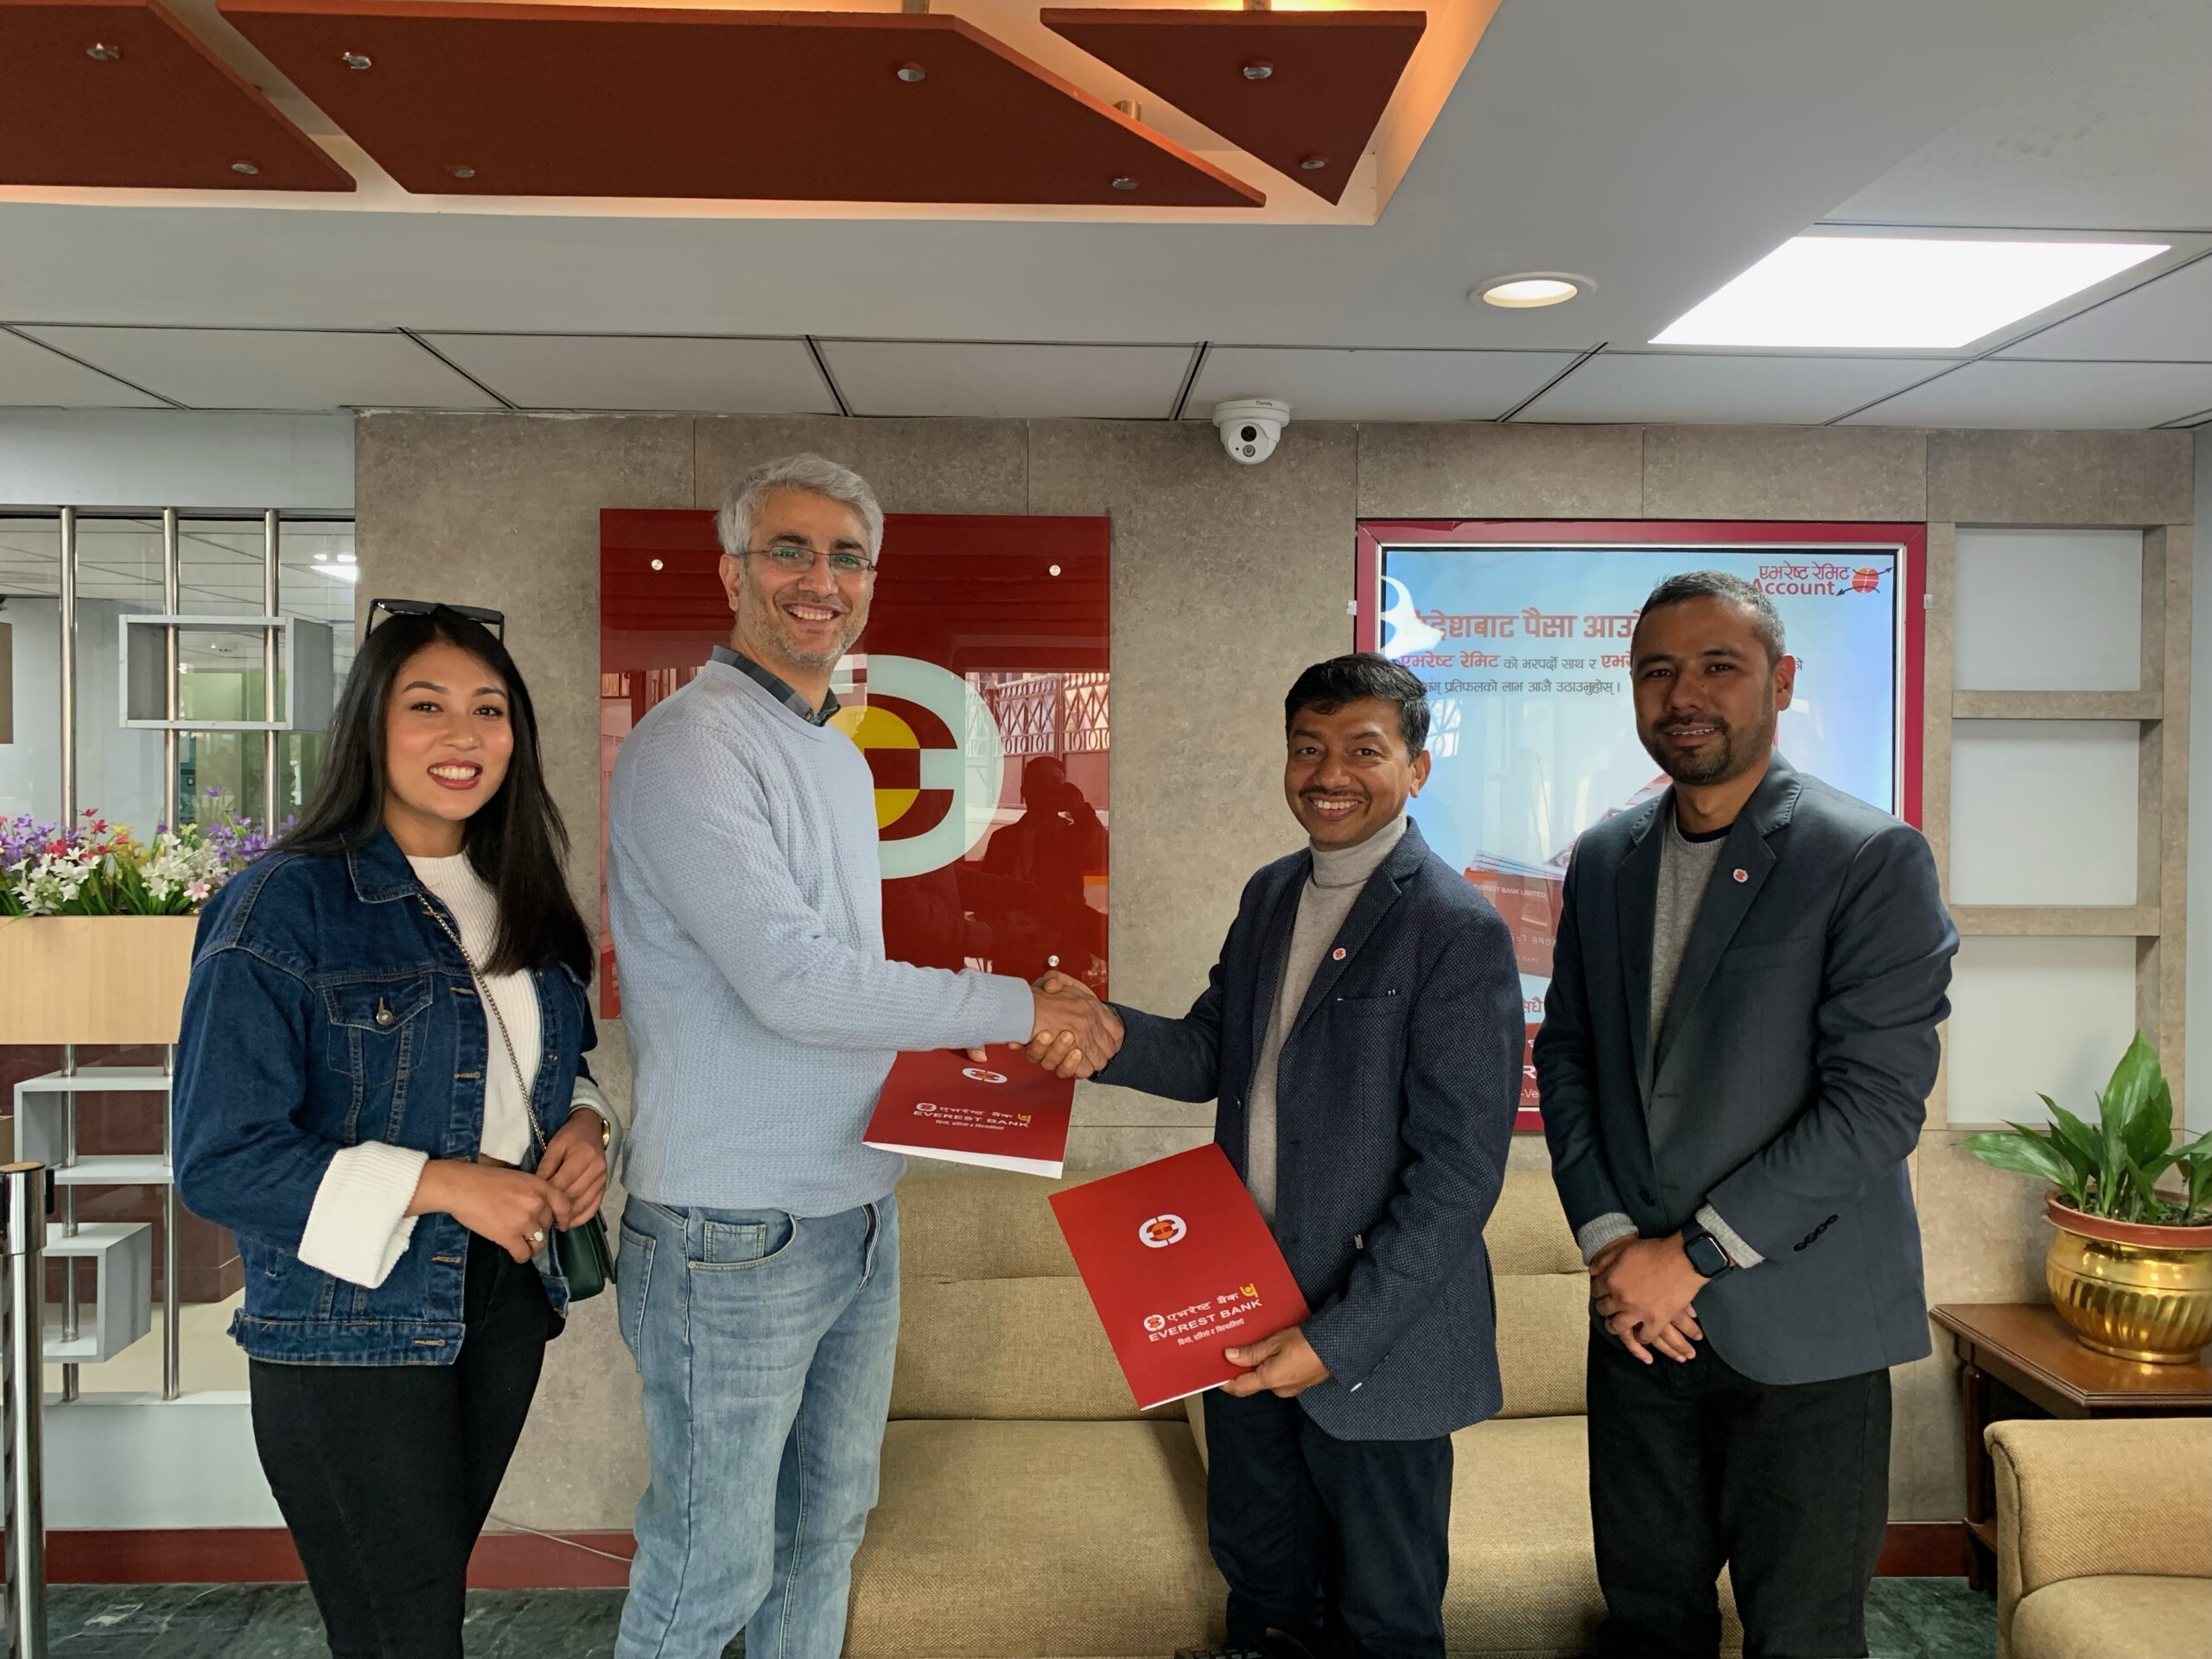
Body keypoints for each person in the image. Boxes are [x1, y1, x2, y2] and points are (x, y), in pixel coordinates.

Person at [604, 453, 1118, 1658]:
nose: (818, 580)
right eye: (788, 550)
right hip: (730, 1231)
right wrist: (1021, 1004)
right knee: (710, 1570)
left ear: (871, 583)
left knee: (824, 1536)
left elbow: (847, 982)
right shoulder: (691, 744)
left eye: (846, 557)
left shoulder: (832, 749)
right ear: (731, 571)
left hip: (857, 1206)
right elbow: (795, 982)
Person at [1044, 653, 1522, 1659]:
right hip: (1242, 1306)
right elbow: (1214, 1050)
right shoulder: (1271, 894)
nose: (1329, 773)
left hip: (1377, 1343)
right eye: (1308, 749)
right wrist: (1103, 1034)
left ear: (1417, 768)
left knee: (1384, 1620)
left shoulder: (1453, 927)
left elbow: (1457, 1176)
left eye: (1362, 750)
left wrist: (1337, 1341)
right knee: (1265, 1595)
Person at [173, 601, 624, 1659]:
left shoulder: (516, 892)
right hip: (350, 1322)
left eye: (489, 710)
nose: (463, 735)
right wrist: (447, 1183)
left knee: (417, 1615)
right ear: (370, 724)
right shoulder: (280, 905)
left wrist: (591, 1126)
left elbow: (552, 1065)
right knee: (402, 1632)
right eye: (427, 706)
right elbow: (220, 1157)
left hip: (503, 1300)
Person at [1533, 571, 1957, 1659]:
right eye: (1656, 671)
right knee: (1648, 1621)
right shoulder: (1604, 860)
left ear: (1781, 681)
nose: (1684, 694)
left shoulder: (1865, 856)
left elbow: (1874, 1105)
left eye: (1717, 666)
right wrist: (1613, 1244)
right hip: (1640, 1325)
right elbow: (1567, 1057)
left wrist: (1694, 1257)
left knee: (1801, 1635)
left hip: (1805, 1329)